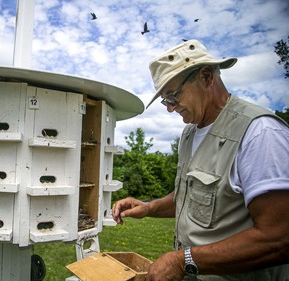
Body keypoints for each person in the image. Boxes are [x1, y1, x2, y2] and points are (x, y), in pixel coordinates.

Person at [112, 39, 289, 281]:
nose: (170, 109)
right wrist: (149, 207)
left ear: (206, 77)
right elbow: (193, 197)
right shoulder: (190, 133)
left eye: (172, 96)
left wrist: (182, 261)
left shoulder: (260, 133)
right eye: (166, 100)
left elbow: (279, 237)